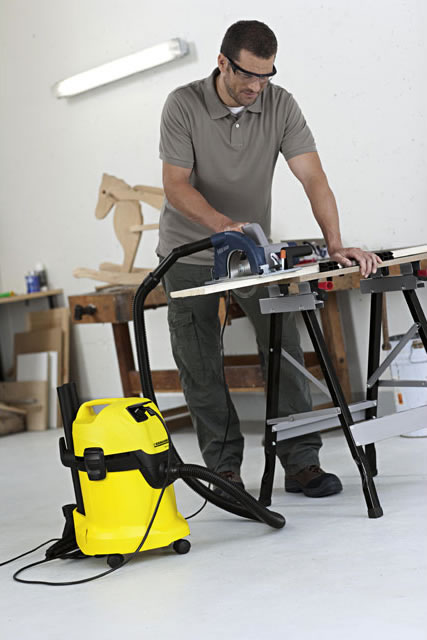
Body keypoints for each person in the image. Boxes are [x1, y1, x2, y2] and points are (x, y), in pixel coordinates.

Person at [156, 20, 381, 498]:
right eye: (247, 75)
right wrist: (223, 226)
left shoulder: (280, 105)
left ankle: (301, 462)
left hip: (251, 253)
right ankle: (224, 471)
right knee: (200, 361)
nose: (257, 87)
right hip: (189, 252)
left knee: (284, 347)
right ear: (223, 63)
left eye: (266, 75)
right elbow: (175, 185)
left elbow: (313, 177)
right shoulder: (183, 104)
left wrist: (335, 243)